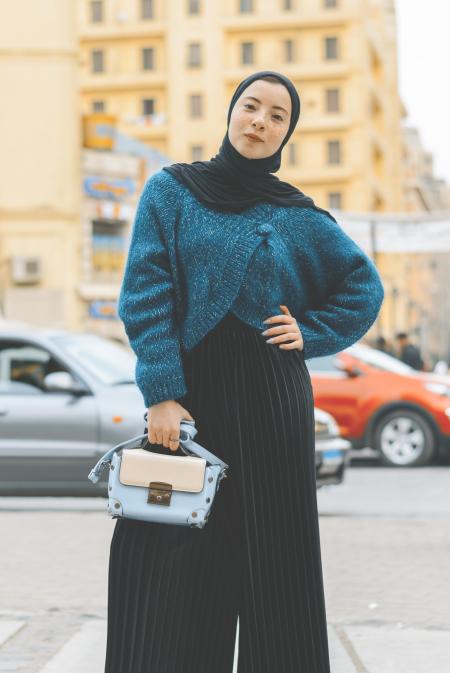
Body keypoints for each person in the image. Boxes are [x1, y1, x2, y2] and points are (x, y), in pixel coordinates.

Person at [105, 70, 385, 673]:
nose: (260, 121)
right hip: (189, 403)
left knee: (273, 571)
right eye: (251, 106)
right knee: (167, 561)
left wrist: (313, 332)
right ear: (231, 112)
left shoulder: (299, 216)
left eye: (277, 115)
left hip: (271, 401)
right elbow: (146, 293)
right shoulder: (172, 191)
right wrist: (162, 392)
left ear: (288, 132)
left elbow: (363, 286)